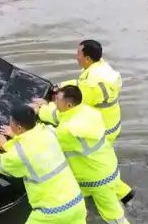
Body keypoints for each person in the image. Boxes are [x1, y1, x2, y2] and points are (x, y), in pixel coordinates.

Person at [33, 85, 148, 224]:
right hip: (108, 170)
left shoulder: (68, 131)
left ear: (69, 104)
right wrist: (42, 109)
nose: (55, 102)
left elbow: (49, 139)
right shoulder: (87, 112)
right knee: (80, 209)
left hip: (94, 180)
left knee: (114, 219)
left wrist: (29, 127)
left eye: (58, 100)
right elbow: (60, 116)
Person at [57, 39, 134, 203]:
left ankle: (93, 194)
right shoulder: (101, 68)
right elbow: (80, 85)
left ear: (88, 58)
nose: (76, 56)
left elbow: (74, 103)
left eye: (78, 53)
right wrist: (63, 85)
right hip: (111, 125)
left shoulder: (92, 84)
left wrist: (49, 104)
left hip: (101, 129)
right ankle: (124, 193)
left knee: (91, 164)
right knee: (101, 163)